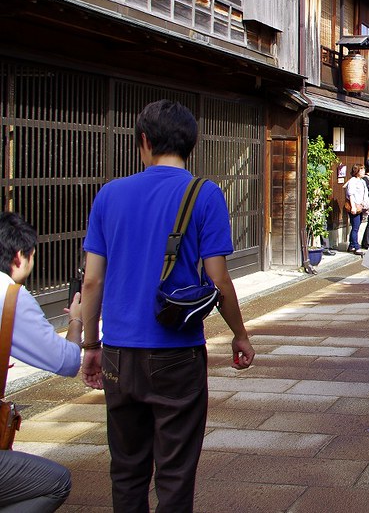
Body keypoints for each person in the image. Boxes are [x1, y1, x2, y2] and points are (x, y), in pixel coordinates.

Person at [80, 99, 254, 512]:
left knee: (126, 469)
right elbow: (219, 279)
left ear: (143, 141)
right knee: (175, 473)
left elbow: (92, 280)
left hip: (119, 352)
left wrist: (91, 346)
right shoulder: (205, 194)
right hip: (177, 354)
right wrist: (240, 334)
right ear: (191, 144)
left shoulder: (110, 195)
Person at [0, 212, 82, 513]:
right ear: (20, 256)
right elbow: (66, 361)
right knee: (55, 482)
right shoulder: (10, 297)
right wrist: (76, 321)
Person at [344, 163, 369, 255]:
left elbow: (365, 195)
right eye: (361, 170)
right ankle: (356, 247)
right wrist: (353, 206)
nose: (363, 171)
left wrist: (367, 205)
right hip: (354, 206)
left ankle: (351, 246)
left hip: (360, 206)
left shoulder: (362, 181)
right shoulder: (353, 181)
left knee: (357, 226)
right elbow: (350, 194)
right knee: (355, 227)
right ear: (357, 171)